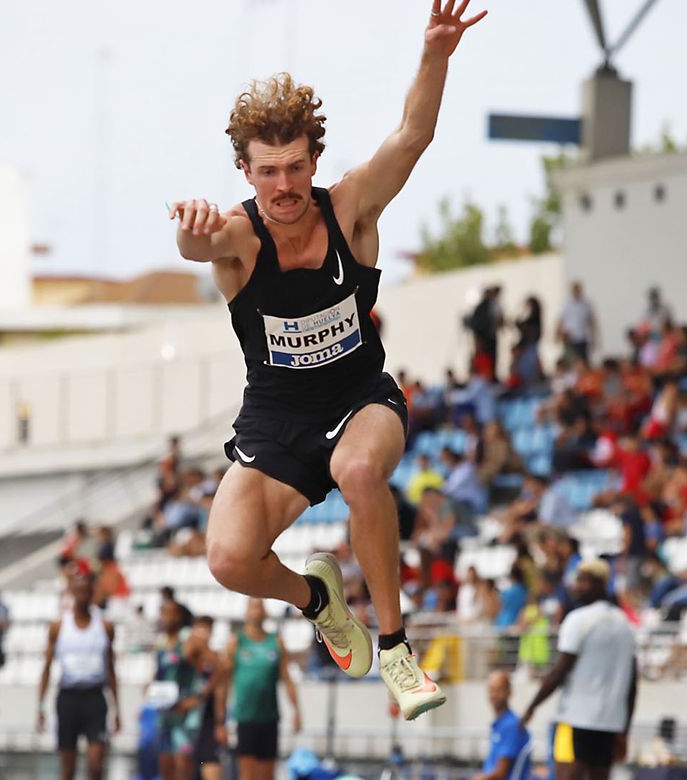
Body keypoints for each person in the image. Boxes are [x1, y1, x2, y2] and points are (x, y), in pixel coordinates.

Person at [170, 0, 485, 723]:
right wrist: (188, 233)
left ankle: (398, 651)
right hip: (278, 417)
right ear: (245, 171)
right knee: (227, 558)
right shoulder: (237, 238)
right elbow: (198, 248)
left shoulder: (348, 211)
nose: (283, 187)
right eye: (267, 172)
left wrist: (435, 53)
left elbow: (413, 135)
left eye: (295, 168)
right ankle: (320, 599)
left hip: (360, 399)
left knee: (358, 471)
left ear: (315, 159)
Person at [520, 559, 638, 780]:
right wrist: (624, 727)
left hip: (575, 718)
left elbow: (560, 670)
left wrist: (531, 706)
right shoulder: (624, 625)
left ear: (600, 584)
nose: (576, 586)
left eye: (584, 581)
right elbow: (633, 682)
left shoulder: (578, 620)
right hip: (609, 721)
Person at [37, 567, 120, 780]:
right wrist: (40, 705)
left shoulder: (105, 626)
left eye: (87, 588)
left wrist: (117, 707)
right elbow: (46, 667)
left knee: (96, 764)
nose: (83, 593)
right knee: (68, 767)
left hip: (95, 698)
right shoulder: (59, 627)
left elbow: (112, 667)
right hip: (68, 697)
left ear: (93, 591)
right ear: (71, 592)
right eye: (78, 588)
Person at [225, 598, 303, 780]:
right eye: (252, 606)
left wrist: (297, 711)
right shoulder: (237, 642)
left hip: (270, 717)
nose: (256, 610)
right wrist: (220, 718)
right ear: (246, 612)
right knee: (247, 778)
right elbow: (224, 681)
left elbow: (286, 678)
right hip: (245, 718)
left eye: (260, 606)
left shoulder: (275, 642)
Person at [147, 598, 210, 780]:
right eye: (163, 613)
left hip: (184, 720)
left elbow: (219, 668)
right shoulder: (161, 643)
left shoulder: (190, 640)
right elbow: (160, 674)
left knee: (184, 776)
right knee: (167, 776)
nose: (166, 618)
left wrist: (197, 697)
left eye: (171, 613)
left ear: (180, 616)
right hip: (165, 716)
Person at [188, 616, 232, 780]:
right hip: (185, 723)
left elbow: (222, 693)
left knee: (212, 777)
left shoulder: (217, 661)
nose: (202, 634)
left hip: (206, 723)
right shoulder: (185, 656)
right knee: (185, 777)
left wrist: (220, 722)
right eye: (199, 629)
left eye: (207, 629)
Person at [556, 280, 597, 365]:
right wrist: (558, 335)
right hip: (570, 339)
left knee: (583, 362)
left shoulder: (586, 304)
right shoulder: (566, 304)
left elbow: (591, 321)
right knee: (571, 362)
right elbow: (560, 321)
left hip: (582, 338)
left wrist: (594, 338)